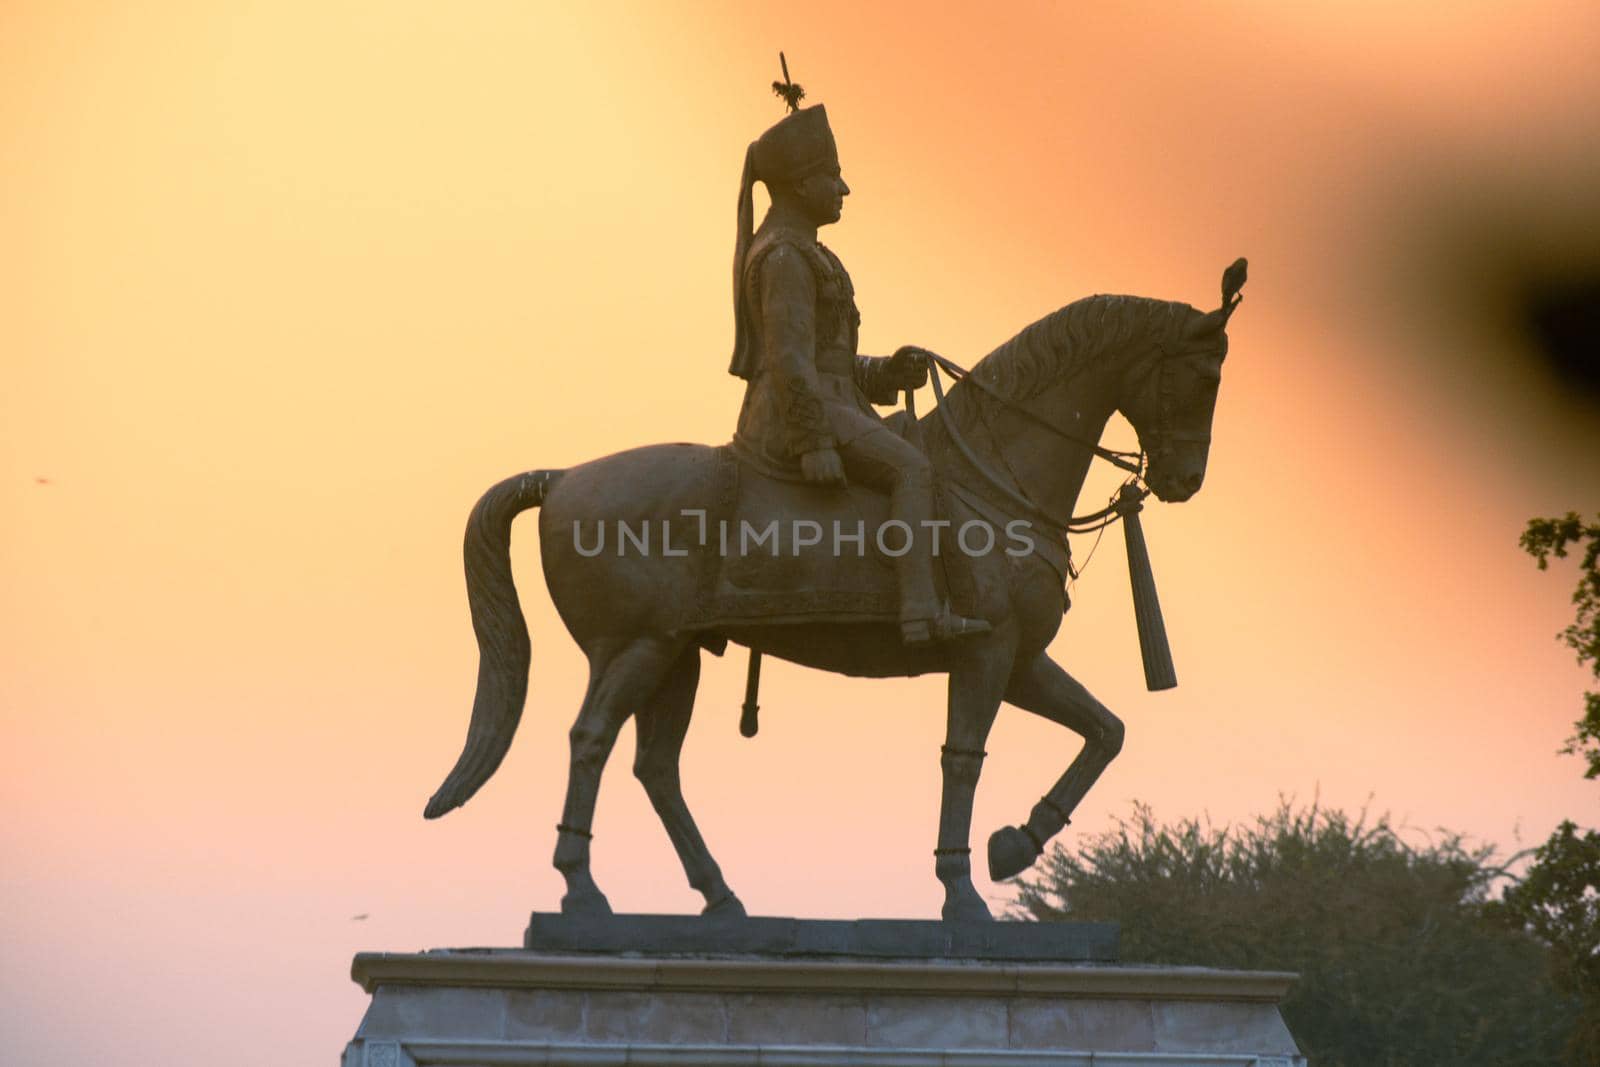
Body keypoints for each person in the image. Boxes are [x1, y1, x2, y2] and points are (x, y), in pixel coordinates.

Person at [729, 101, 991, 644]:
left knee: (924, 443)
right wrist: (812, 440)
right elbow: (789, 361)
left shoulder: (809, 253)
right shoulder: (783, 257)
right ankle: (921, 613)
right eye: (833, 176)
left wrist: (887, 373)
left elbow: (834, 364)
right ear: (802, 185)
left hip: (831, 406)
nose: (843, 189)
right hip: (792, 417)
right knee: (912, 469)